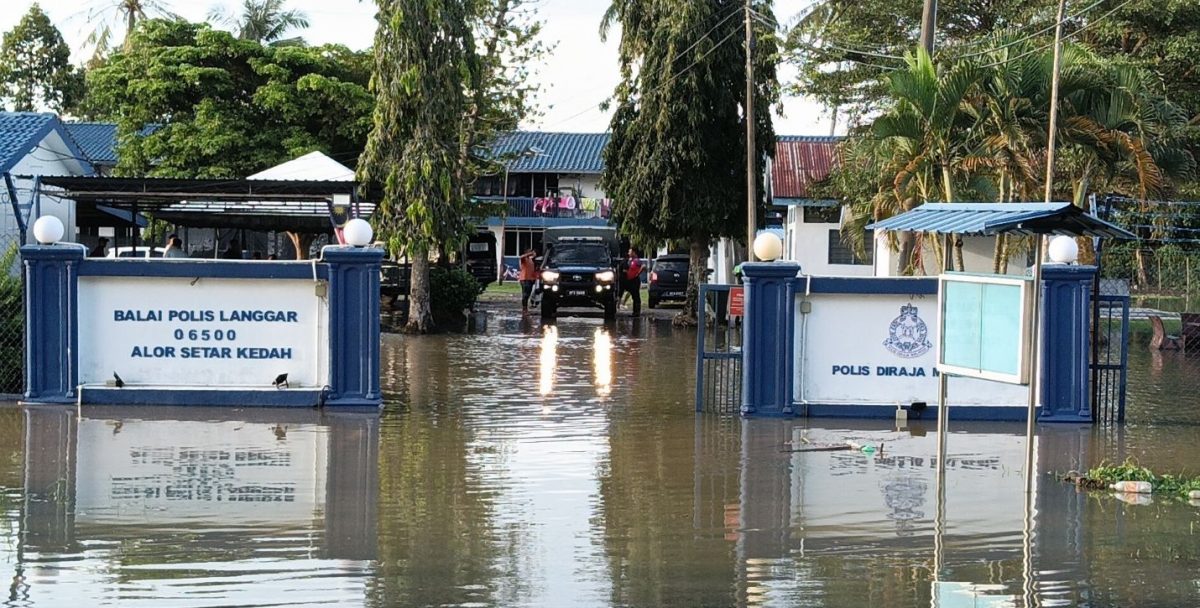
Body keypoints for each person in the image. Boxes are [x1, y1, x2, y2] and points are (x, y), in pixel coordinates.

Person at [621, 247, 643, 316]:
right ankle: (634, 312)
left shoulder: (637, 260)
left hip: (635, 280)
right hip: (630, 280)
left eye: (630, 252)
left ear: (634, 252)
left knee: (636, 296)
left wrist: (637, 274)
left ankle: (637, 312)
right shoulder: (631, 260)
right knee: (633, 295)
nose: (628, 253)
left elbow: (643, 266)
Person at [518, 247, 538, 312]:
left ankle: (525, 307)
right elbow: (521, 257)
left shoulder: (531, 260)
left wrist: (534, 278)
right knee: (525, 294)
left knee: (528, 294)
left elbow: (532, 271)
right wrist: (530, 253)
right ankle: (524, 308)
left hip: (530, 279)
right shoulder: (524, 259)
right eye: (529, 251)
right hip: (524, 279)